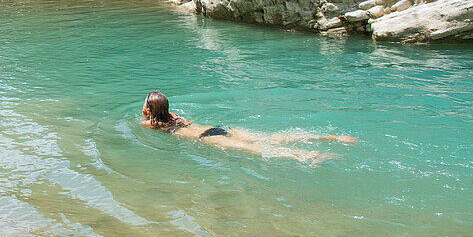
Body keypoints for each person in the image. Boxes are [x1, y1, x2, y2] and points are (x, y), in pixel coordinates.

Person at [140, 91, 357, 164]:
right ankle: (332, 137)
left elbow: (147, 121)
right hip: (220, 128)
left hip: (207, 138)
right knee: (272, 137)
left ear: (149, 110)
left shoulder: (150, 126)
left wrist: (147, 115)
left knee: (259, 150)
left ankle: (308, 155)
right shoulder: (176, 116)